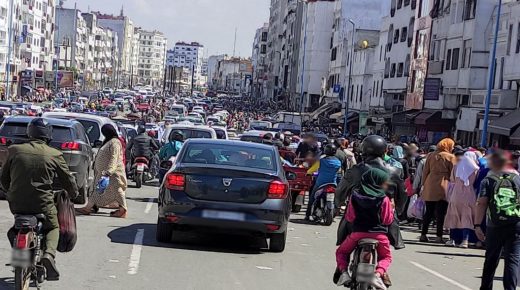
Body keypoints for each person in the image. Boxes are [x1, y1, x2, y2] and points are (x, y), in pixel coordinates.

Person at [1, 118, 78, 281]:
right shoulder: (54, 154)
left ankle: (20, 260)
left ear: (30, 133)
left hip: (16, 203)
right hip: (43, 203)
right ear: (48, 136)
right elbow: (68, 181)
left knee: (15, 228)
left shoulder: (14, 150)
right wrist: (73, 194)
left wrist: (9, 191)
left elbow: (4, 178)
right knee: (53, 227)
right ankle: (48, 255)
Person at [336, 168, 393, 290]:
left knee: (342, 252)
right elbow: (387, 220)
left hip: (358, 234)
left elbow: (350, 217)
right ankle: (377, 275)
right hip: (379, 235)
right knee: (386, 257)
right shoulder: (384, 199)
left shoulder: (355, 196)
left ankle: (344, 273)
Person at [476, 150, 520, 290]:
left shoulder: (489, 180)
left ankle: (486, 287)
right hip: (516, 223)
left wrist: (477, 225)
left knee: (491, 258)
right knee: (513, 259)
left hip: (494, 224)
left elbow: (482, 203)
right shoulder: (518, 179)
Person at [76, 124, 128, 218]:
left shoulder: (115, 142)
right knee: (98, 190)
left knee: (117, 191)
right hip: (104, 173)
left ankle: (123, 210)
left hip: (113, 174)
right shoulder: (109, 141)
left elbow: (114, 157)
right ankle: (88, 207)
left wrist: (109, 171)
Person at [420, 138, 456, 243]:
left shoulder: (431, 155)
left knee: (428, 212)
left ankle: (423, 234)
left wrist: (423, 185)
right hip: (443, 184)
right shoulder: (450, 157)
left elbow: (425, 171)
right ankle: (439, 236)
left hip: (430, 184)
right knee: (441, 213)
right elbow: (453, 173)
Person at [444, 151, 479, 248]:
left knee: (454, 216)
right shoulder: (475, 168)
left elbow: (452, 179)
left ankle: (453, 239)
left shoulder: (456, 166)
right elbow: (476, 181)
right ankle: (465, 240)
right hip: (469, 194)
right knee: (467, 217)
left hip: (456, 194)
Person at [305, 144, 341, 221]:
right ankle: (335, 214)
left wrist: (308, 173)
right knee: (335, 198)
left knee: (312, 198)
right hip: (333, 183)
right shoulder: (338, 162)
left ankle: (307, 215)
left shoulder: (321, 161)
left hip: (320, 183)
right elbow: (339, 171)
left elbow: (312, 169)